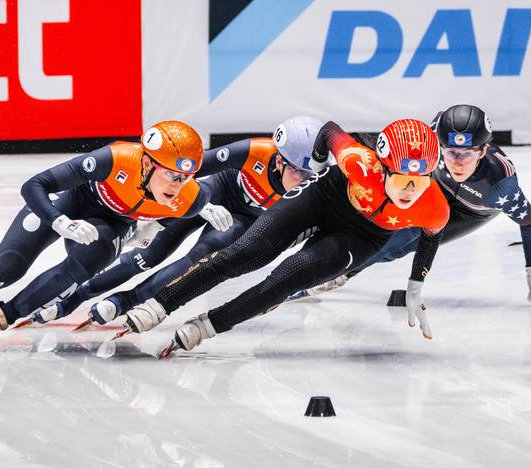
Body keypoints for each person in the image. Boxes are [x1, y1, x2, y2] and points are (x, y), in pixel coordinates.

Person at [0, 121, 230, 351]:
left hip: (109, 223)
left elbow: (170, 215)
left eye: (188, 177)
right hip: (66, 204)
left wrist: (150, 226)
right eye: (172, 175)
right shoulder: (116, 159)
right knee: (3, 270)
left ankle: (4, 314)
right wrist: (59, 221)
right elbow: (35, 184)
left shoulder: (190, 197)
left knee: (92, 259)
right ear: (148, 163)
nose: (180, 185)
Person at [118, 118, 451, 354]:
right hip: (325, 197)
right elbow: (330, 130)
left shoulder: (434, 206)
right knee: (243, 253)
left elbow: (431, 238)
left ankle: (207, 327)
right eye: (403, 179)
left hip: (362, 236)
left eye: (420, 180)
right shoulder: (358, 161)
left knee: (285, 281)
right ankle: (161, 304)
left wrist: (416, 286)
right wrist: (320, 162)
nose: (411, 191)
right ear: (381, 166)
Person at [24, 115, 326, 328]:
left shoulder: (313, 190)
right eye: (300, 173)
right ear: (278, 160)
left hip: (242, 219)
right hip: (215, 194)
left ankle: (125, 301)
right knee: (148, 255)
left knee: (199, 258)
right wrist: (174, 207)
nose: (305, 181)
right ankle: (72, 299)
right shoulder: (254, 151)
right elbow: (183, 168)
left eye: (312, 176)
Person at [291, 105, 531, 308]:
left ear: (482, 150)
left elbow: (530, 222)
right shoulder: (432, 136)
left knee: (401, 242)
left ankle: (335, 275)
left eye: (466, 154)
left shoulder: (501, 186)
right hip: (433, 186)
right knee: (380, 221)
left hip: (471, 211)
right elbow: (389, 145)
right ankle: (322, 262)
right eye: (451, 152)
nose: (457, 161)